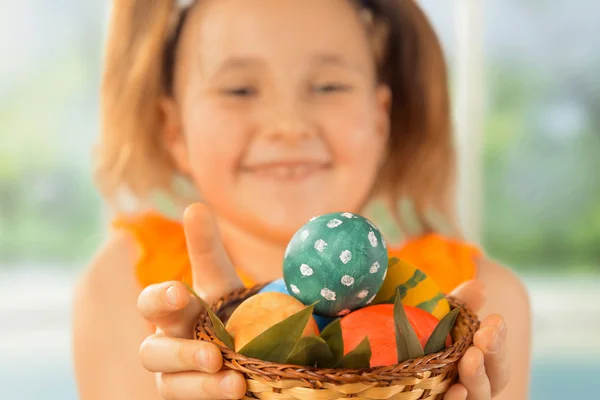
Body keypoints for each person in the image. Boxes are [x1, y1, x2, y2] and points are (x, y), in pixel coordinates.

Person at [72, 0, 531, 399]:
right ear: (174, 131)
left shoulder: (479, 312)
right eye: (239, 89)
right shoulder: (130, 290)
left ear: (380, 118)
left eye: (329, 86)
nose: (288, 124)